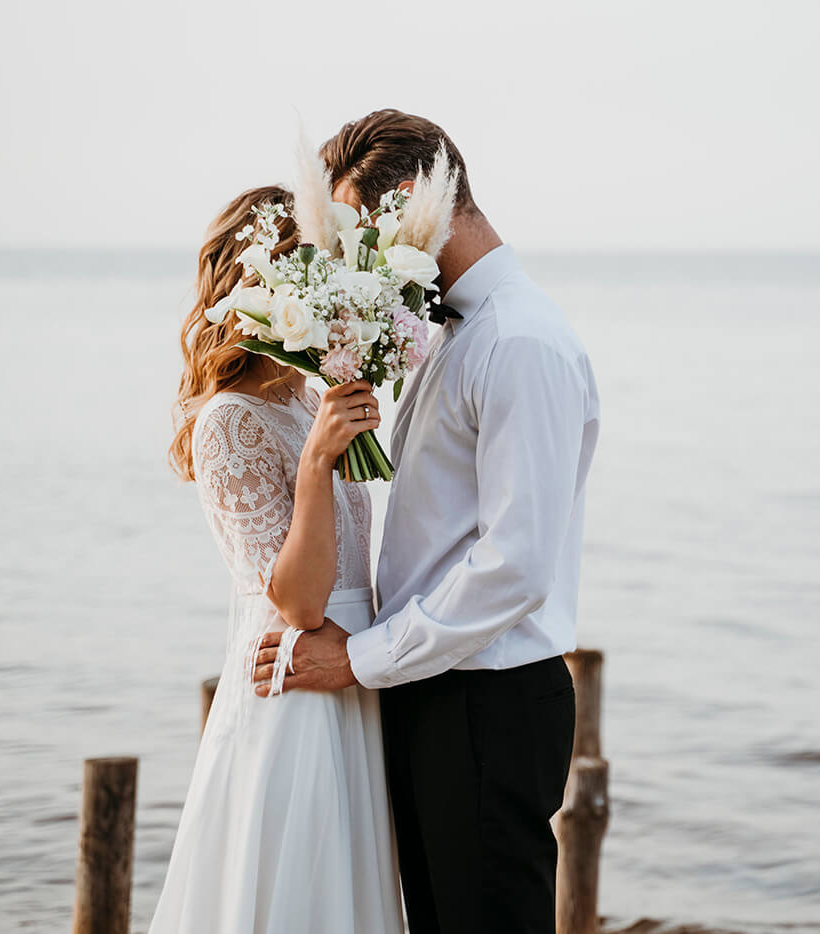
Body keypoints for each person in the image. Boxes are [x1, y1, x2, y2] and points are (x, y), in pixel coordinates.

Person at [251, 110, 601, 933]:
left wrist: (359, 660)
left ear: (412, 202)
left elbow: (514, 566)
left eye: (356, 232)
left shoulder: (519, 340)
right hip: (437, 692)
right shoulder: (453, 334)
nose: (351, 258)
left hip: (489, 701)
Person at [151, 185, 403, 934]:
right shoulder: (228, 420)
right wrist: (316, 462)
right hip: (296, 685)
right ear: (256, 287)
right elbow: (297, 603)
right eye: (305, 276)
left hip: (354, 667)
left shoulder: (307, 395)